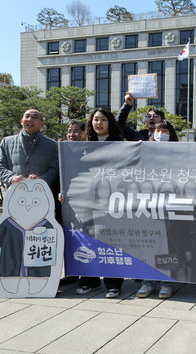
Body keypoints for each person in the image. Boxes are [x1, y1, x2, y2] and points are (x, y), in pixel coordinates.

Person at [81, 107, 128, 298]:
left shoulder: (120, 144)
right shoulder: (82, 145)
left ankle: (113, 284)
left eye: (103, 120)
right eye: (95, 120)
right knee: (87, 240)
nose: (98, 123)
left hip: (112, 200)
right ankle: (89, 281)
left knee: (111, 241)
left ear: (110, 122)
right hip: (87, 201)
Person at [137, 121, 179, 300]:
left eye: (164, 131)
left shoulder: (179, 154)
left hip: (170, 207)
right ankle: (148, 281)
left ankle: (166, 282)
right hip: (148, 205)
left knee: (168, 244)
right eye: (157, 130)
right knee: (149, 244)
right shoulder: (144, 152)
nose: (160, 133)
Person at [0, 109, 58, 189]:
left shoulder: (53, 145)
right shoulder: (6, 142)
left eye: (35, 117)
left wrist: (41, 180)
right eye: (27, 116)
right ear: (21, 121)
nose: (30, 119)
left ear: (42, 124)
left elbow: (54, 169)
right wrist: (11, 178)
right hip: (14, 192)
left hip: (41, 194)